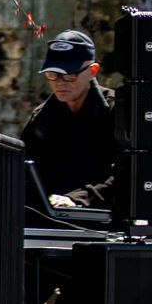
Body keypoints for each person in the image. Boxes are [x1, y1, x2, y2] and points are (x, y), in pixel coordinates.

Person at [21, 29, 117, 210]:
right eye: (52, 74)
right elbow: (24, 172)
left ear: (92, 71)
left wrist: (78, 199)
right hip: (49, 219)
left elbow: (130, 174)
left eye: (70, 74)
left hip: (108, 223)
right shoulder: (42, 117)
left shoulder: (117, 112)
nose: (59, 82)